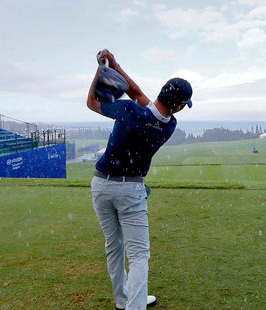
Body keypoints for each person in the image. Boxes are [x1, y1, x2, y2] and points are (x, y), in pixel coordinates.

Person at [87, 49, 192, 310]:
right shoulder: (169, 124)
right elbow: (138, 95)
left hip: (100, 185)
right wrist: (116, 67)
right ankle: (133, 306)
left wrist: (103, 71)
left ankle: (123, 301)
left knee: (114, 246)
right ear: (178, 106)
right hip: (130, 190)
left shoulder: (128, 110)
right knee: (139, 255)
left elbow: (92, 102)